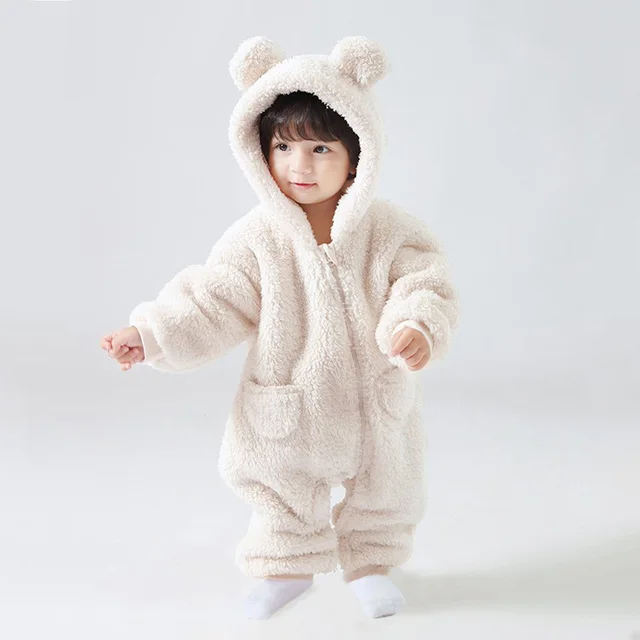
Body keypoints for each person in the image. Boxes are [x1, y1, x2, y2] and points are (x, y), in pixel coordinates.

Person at [99, 36, 459, 620]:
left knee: (387, 483)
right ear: (259, 152)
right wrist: (152, 333)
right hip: (290, 404)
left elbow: (424, 282)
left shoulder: (390, 231)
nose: (300, 165)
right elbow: (213, 298)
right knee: (279, 485)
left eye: (321, 148)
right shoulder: (257, 239)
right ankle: (286, 569)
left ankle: (371, 565)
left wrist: (416, 325)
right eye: (283, 147)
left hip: (374, 398)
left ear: (358, 153)